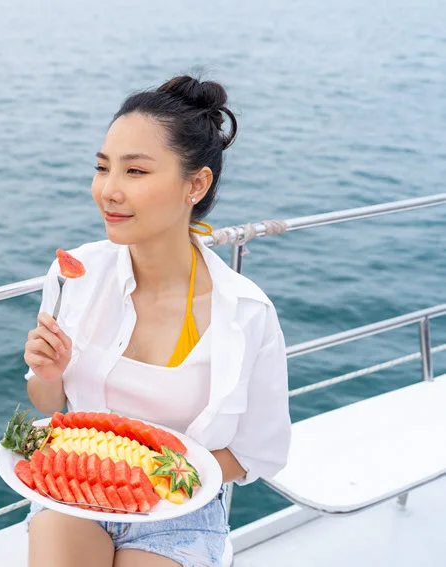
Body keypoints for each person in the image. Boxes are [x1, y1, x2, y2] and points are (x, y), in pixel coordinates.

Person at [22, 75, 291, 567]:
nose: (108, 191)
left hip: (179, 508)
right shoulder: (74, 276)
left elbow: (258, 452)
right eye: (102, 168)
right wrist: (49, 373)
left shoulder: (247, 314)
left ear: (196, 184)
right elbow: (49, 404)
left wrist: (150, 474)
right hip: (77, 489)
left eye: (135, 172)